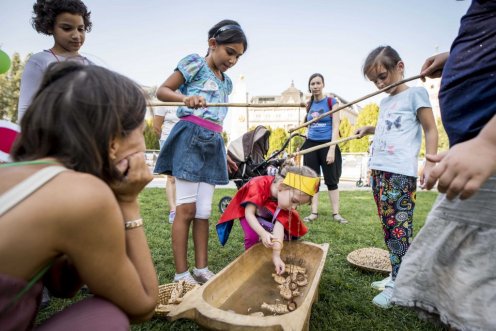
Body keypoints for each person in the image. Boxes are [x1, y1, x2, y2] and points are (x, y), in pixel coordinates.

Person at [0, 62, 159, 330]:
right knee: (109, 317)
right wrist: (128, 203)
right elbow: (143, 303)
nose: (144, 145)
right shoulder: (84, 194)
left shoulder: (14, 168)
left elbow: (63, 286)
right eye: (142, 132)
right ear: (112, 142)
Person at [391, 1, 496, 329]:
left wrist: (489, 144)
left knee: (478, 285)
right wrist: (456, 59)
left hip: (487, 151)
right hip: (474, 150)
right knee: (453, 280)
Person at [154, 19, 248, 285]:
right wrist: (185, 98)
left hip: (213, 143)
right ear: (213, 44)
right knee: (186, 209)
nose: (233, 60)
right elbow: (162, 90)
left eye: (238, 56)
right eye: (230, 52)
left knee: (204, 211)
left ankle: (201, 269)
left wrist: (224, 152)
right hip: (189, 138)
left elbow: (217, 120)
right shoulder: (194, 63)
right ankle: (181, 274)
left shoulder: (227, 83)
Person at [354, 45, 438, 309]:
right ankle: (395, 274)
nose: (380, 83)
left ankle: (399, 285)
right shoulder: (385, 101)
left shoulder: (416, 93)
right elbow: (387, 128)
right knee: (388, 228)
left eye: (383, 76)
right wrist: (368, 128)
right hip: (379, 171)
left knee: (399, 230)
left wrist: (431, 162)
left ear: (400, 67)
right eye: (374, 80)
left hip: (400, 174)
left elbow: (430, 129)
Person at [216, 165, 319, 274]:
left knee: (287, 230)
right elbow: (249, 214)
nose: (293, 207)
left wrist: (276, 255)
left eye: (298, 204)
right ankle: (252, 261)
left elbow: (280, 226)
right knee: (252, 236)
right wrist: (262, 232)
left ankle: (276, 257)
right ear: (280, 187)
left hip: (266, 211)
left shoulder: (284, 197)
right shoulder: (258, 186)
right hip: (249, 212)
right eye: (294, 201)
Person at [17, 0, 93, 122]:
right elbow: (26, 108)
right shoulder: (40, 61)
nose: (76, 35)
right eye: (67, 28)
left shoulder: (91, 65)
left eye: (80, 29)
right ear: (49, 27)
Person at [300, 73, 347, 224]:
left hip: (327, 143)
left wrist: (332, 149)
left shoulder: (332, 102)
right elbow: (307, 124)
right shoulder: (309, 104)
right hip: (311, 144)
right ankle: (313, 212)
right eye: (312, 84)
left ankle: (336, 213)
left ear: (323, 84)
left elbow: (335, 127)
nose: (315, 86)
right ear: (310, 86)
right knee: (312, 180)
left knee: (331, 180)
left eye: (318, 83)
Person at [153, 106, 179, 224]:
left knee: (184, 176)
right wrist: (164, 141)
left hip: (185, 140)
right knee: (171, 177)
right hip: (167, 140)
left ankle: (182, 207)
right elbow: (156, 127)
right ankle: (173, 210)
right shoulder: (164, 102)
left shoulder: (190, 93)